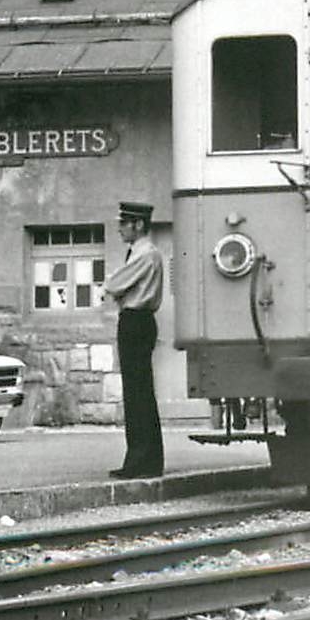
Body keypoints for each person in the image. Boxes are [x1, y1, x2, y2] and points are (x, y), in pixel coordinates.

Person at [102, 200, 165, 478]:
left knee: (136, 392)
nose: (119, 229)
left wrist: (115, 288)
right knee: (140, 391)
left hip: (135, 321)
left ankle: (140, 461)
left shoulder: (144, 254)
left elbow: (113, 285)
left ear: (138, 224)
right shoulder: (143, 253)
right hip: (139, 321)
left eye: (123, 224)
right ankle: (146, 460)